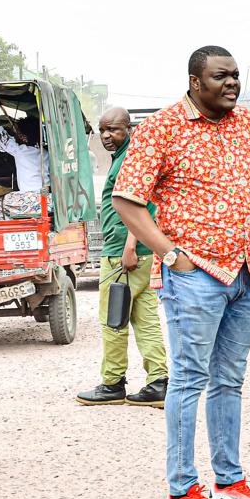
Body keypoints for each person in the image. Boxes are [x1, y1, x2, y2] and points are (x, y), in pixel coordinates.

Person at [112, 45, 250, 499]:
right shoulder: (162, 128)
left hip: (248, 274)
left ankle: (229, 481)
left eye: (235, 76)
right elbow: (127, 200)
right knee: (189, 379)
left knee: (230, 379)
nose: (231, 84)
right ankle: (182, 491)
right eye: (220, 76)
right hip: (196, 276)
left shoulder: (247, 125)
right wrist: (171, 255)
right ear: (194, 81)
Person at [77, 105, 167, 408]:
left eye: (113, 129)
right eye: (103, 130)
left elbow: (141, 204)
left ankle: (112, 383)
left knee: (113, 318)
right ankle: (158, 382)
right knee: (146, 319)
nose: (106, 135)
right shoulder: (127, 156)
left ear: (129, 129)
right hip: (142, 253)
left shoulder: (130, 158)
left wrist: (129, 246)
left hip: (123, 253)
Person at [0, 116, 47, 200]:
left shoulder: (20, 151)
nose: (14, 136)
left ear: (23, 137)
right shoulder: (46, 153)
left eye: (16, 133)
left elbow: (2, 135)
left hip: (29, 198)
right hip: (45, 195)